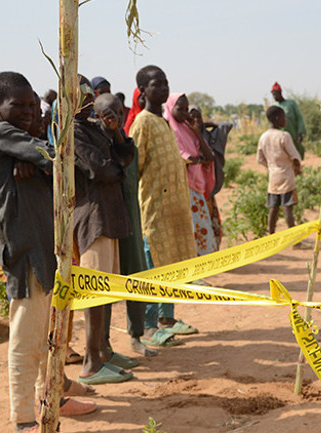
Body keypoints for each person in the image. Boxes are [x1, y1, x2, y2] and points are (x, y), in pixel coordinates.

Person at [0, 71, 94, 433]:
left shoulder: (21, 141)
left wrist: (38, 159)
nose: (29, 111)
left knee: (49, 334)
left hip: (46, 251)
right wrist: (40, 155)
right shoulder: (0, 133)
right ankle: (24, 420)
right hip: (26, 252)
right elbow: (59, 158)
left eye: (33, 104)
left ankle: (55, 396)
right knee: (26, 339)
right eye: (18, 105)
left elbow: (65, 167)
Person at [71, 78, 137, 385]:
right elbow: (101, 170)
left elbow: (124, 157)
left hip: (109, 215)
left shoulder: (96, 129)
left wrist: (116, 134)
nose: (86, 102)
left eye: (89, 96)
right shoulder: (72, 131)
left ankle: (103, 351)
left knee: (106, 291)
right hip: (92, 218)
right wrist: (116, 165)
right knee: (94, 292)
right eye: (80, 96)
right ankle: (90, 362)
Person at [128, 65, 199, 347]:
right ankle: (147, 326)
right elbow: (136, 169)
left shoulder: (165, 121)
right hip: (154, 210)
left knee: (172, 263)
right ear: (143, 91)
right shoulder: (143, 123)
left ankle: (167, 319)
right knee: (153, 264)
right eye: (157, 84)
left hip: (175, 210)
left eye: (166, 83)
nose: (164, 88)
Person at [94, 93, 157, 357]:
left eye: (119, 113)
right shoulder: (95, 148)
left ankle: (136, 336)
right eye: (109, 114)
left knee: (136, 277)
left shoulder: (127, 145)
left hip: (130, 221)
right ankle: (103, 343)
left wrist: (118, 134)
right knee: (106, 285)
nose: (115, 119)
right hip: (107, 224)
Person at [164, 94, 218, 255]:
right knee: (188, 233)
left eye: (186, 109)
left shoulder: (188, 129)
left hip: (195, 188)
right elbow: (186, 159)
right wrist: (196, 160)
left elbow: (209, 158)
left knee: (201, 229)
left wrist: (197, 131)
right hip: (181, 189)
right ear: (170, 108)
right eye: (180, 109)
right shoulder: (168, 129)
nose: (184, 113)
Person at [257, 106, 304, 236]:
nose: (286, 120)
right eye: (284, 117)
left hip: (273, 178)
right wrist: (297, 168)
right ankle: (294, 240)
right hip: (287, 177)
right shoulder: (284, 136)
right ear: (277, 119)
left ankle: (271, 236)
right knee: (288, 209)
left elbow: (260, 159)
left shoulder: (263, 137)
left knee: (273, 209)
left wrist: (271, 166)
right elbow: (294, 157)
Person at [190, 105, 232, 249]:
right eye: (192, 117)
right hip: (192, 188)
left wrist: (206, 125)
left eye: (198, 117)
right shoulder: (186, 139)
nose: (196, 120)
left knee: (211, 222)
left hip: (206, 187)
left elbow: (227, 125)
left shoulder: (208, 136)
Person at [271, 82, 307, 159]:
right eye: (273, 94)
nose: (274, 96)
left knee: (296, 152)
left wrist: (300, 133)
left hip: (293, 133)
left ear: (280, 93)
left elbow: (299, 117)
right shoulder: (275, 106)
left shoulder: (291, 103)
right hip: (281, 135)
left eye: (275, 94)